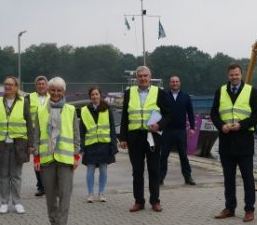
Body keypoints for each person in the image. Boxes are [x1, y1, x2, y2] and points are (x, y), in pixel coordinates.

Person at [210, 63, 257, 222]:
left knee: (247, 177)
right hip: (226, 141)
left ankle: (249, 209)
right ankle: (229, 207)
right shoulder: (221, 91)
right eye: (231, 75)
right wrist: (221, 126)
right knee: (228, 178)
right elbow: (214, 113)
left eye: (237, 74)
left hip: (244, 140)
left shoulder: (251, 91)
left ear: (241, 75)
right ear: (228, 75)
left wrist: (242, 125)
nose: (234, 77)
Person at [119, 66, 172, 213]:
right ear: (136, 78)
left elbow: (168, 114)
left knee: (154, 170)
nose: (143, 78)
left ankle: (155, 201)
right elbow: (125, 116)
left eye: (145, 76)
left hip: (152, 136)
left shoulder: (159, 93)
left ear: (150, 77)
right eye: (140, 76)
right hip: (134, 137)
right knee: (137, 171)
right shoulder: (129, 93)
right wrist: (122, 137)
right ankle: (139, 201)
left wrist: (159, 125)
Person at [35, 77, 80, 225]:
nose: (55, 93)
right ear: (48, 91)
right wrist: (36, 158)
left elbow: (76, 135)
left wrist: (76, 156)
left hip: (66, 159)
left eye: (58, 90)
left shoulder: (71, 110)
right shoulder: (41, 111)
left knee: (65, 196)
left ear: (64, 92)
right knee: (50, 197)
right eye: (52, 90)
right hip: (47, 159)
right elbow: (36, 136)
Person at [0, 75, 33, 214]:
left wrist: (30, 144)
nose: (8, 87)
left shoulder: (24, 102)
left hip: (19, 144)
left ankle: (17, 202)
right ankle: (4, 202)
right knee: (3, 175)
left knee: (16, 175)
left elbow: (30, 124)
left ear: (16, 87)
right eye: (6, 84)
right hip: (0, 144)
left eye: (11, 85)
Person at [80, 86, 118, 203]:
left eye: (96, 94)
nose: (95, 96)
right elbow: (82, 130)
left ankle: (102, 193)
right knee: (90, 170)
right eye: (92, 94)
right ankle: (90, 194)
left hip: (104, 145)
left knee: (103, 170)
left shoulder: (107, 109)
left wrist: (113, 144)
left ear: (100, 95)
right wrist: (82, 146)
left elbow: (112, 128)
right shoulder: (84, 110)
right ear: (90, 97)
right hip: (90, 145)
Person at [159, 75, 196, 186]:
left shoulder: (185, 97)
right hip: (167, 130)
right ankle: (160, 178)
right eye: (172, 82)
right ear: (170, 83)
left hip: (181, 131)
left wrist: (192, 128)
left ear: (179, 83)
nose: (174, 83)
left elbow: (190, 113)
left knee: (183, 156)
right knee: (163, 155)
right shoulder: (164, 96)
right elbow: (158, 112)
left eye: (176, 81)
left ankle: (188, 177)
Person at [27, 76, 50, 197]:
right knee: (37, 159)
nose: (41, 86)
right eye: (39, 84)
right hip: (34, 133)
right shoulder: (29, 98)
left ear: (47, 85)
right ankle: (41, 186)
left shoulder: (53, 97)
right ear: (36, 86)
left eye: (43, 84)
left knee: (50, 160)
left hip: (48, 133)